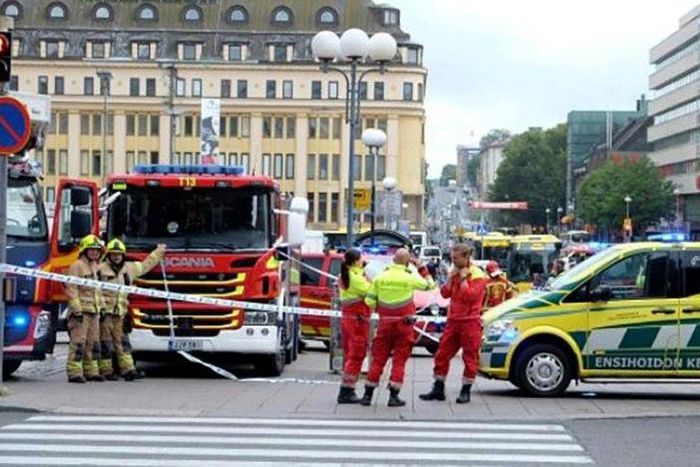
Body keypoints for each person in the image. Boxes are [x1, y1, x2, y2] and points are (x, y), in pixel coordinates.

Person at [359, 249, 436, 407]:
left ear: (393, 260)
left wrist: (382, 309)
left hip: (385, 323)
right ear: (408, 262)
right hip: (404, 324)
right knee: (399, 360)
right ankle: (394, 396)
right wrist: (422, 268)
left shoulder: (380, 277)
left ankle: (367, 395)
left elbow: (369, 301)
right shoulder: (409, 277)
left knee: (378, 360)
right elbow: (430, 285)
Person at [420, 244, 487, 404]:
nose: (453, 261)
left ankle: (466, 390)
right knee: (442, 354)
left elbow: (469, 296)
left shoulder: (477, 275)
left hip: (470, 321)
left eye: (456, 258)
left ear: (466, 257)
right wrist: (451, 278)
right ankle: (438, 387)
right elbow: (444, 293)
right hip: (453, 321)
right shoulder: (455, 272)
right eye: (452, 258)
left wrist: (463, 278)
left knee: (470, 357)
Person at [98, 239, 166, 381]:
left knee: (123, 343)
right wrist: (100, 310)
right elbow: (94, 291)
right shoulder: (100, 269)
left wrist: (158, 252)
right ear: (108, 255)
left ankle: (128, 370)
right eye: (113, 254)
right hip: (105, 313)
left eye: (119, 254)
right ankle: (106, 371)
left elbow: (146, 265)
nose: (116, 257)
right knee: (106, 343)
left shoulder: (130, 268)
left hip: (120, 313)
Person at [65, 234, 106, 383]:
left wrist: (102, 308)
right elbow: (72, 289)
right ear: (84, 251)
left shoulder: (96, 267)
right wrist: (77, 310)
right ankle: (74, 372)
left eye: (97, 250)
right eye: (92, 250)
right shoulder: (77, 266)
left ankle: (91, 371)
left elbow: (98, 290)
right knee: (79, 342)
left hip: (94, 311)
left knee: (93, 342)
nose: (95, 252)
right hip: (81, 312)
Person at [336, 248, 372, 404]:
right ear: (356, 260)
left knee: (353, 353)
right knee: (356, 353)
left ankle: (348, 388)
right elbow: (371, 292)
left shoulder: (349, 275)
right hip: (357, 320)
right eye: (361, 258)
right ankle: (346, 390)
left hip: (352, 319)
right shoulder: (355, 278)